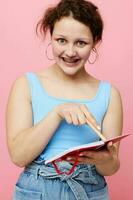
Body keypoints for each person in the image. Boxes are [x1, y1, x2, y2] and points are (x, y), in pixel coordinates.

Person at [6, 0, 123, 199]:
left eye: (81, 43)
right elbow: (18, 156)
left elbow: (111, 168)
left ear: (95, 42)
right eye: (61, 40)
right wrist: (57, 112)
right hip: (36, 189)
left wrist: (103, 159)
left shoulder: (109, 94)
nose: (70, 52)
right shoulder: (25, 85)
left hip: (89, 190)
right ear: (50, 37)